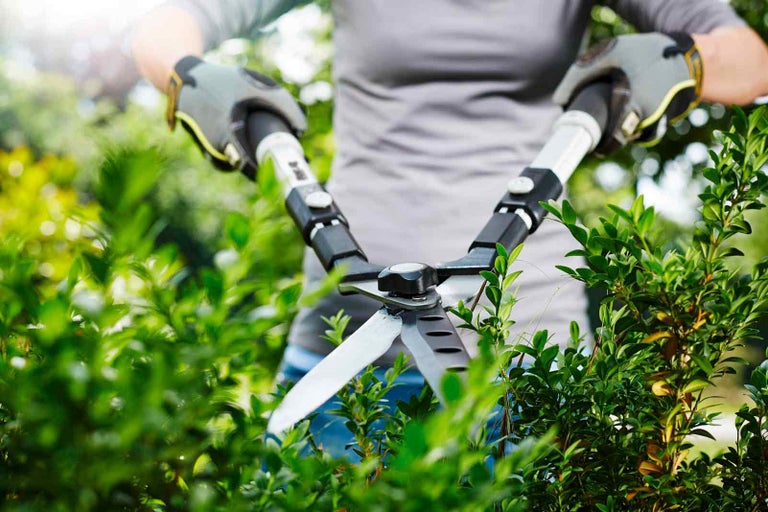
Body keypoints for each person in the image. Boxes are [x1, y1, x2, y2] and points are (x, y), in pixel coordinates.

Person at [131, 1, 768, 457]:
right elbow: (164, 20)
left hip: (528, 359)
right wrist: (191, 75)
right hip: (346, 353)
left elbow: (748, 58)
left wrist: (684, 62)